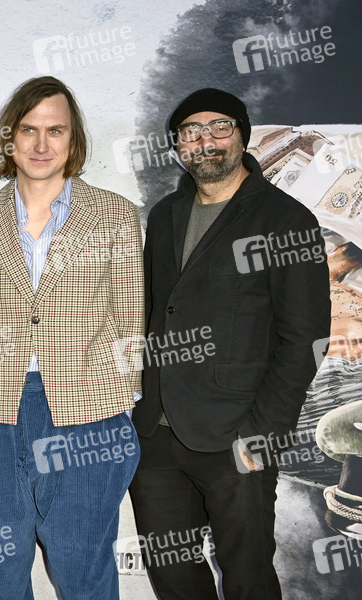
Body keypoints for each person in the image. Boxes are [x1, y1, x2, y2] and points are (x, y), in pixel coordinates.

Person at [0, 76, 144, 599]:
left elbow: (129, 321)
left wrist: (119, 408)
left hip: (89, 413)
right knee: (0, 575)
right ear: (10, 139)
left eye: (56, 130)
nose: (41, 143)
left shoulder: (116, 215)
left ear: (73, 140)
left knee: (83, 569)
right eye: (28, 130)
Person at [129, 88, 331, 599]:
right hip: (158, 434)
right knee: (172, 577)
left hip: (238, 436)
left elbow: (305, 338)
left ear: (242, 135)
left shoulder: (286, 220)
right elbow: (157, 313)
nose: (206, 140)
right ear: (178, 145)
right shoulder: (164, 216)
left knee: (247, 579)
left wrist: (262, 433)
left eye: (220, 126)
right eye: (191, 131)